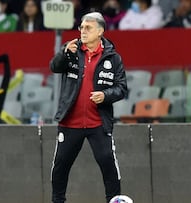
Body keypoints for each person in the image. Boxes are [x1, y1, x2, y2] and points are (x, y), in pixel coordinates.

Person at [50, 12, 127, 203]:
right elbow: (54, 67)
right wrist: (64, 53)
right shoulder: (71, 49)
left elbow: (122, 88)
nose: (83, 31)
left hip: (98, 123)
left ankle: (114, 201)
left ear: (100, 31)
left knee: (108, 163)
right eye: (81, 27)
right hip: (70, 122)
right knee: (60, 166)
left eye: (88, 28)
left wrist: (105, 95)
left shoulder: (114, 57)